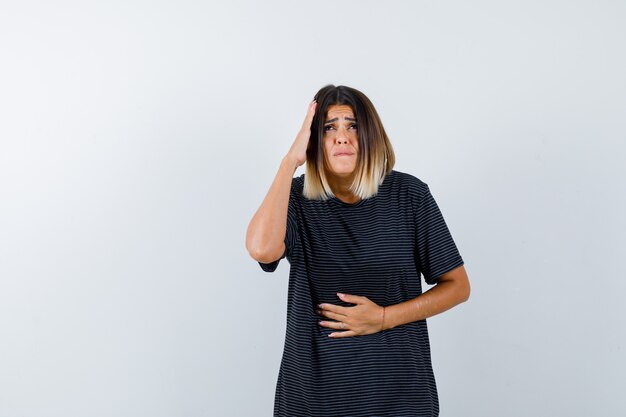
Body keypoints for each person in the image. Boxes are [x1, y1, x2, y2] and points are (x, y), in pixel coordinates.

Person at [246, 84, 470, 417]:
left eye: (352, 125)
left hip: (399, 394)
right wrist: (289, 162)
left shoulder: (409, 195)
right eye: (328, 128)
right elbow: (262, 249)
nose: (341, 137)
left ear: (370, 135)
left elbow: (458, 287)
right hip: (313, 398)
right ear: (312, 141)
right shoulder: (295, 198)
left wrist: (382, 318)